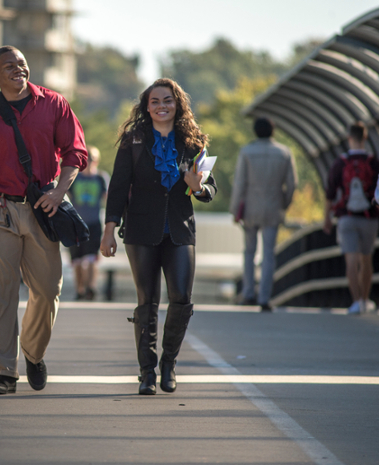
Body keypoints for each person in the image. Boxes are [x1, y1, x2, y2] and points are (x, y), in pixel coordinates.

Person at [0, 46, 87, 394]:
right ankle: (5, 372)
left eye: (22, 63)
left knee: (47, 289)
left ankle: (34, 354)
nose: (17, 69)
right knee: (2, 294)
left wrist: (59, 192)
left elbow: (76, 152)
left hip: (44, 209)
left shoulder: (54, 104)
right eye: (8, 66)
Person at [100, 78, 216, 396]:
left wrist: (197, 186)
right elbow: (119, 187)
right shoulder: (133, 139)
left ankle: (169, 364)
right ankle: (147, 373)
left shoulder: (193, 143)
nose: (161, 106)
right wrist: (109, 230)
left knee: (181, 299)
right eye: (155, 101)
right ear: (146, 106)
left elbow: (209, 189)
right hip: (140, 230)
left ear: (177, 104)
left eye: (167, 100)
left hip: (179, 230)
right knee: (147, 302)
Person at [229, 117, 297, 311]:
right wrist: (284, 203)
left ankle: (248, 293)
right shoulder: (284, 153)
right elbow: (292, 184)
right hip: (274, 208)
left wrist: (235, 209)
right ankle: (264, 297)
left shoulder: (247, 152)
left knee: (249, 252)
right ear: (273, 131)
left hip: (250, 208)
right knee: (269, 254)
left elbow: (240, 183)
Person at [323, 122, 379, 315]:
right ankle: (365, 300)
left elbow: (330, 192)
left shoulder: (340, 163)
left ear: (349, 137)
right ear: (365, 137)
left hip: (346, 217)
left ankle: (355, 301)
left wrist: (327, 218)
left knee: (351, 260)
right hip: (369, 218)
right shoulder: (374, 162)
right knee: (366, 260)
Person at [67, 146, 109, 300]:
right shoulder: (75, 177)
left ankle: (91, 287)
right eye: (86, 160)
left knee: (91, 258)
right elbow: (66, 196)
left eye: (92, 159)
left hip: (93, 223)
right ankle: (80, 289)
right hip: (76, 224)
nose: (89, 162)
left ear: (96, 161)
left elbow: (107, 198)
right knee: (77, 260)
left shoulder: (100, 178)